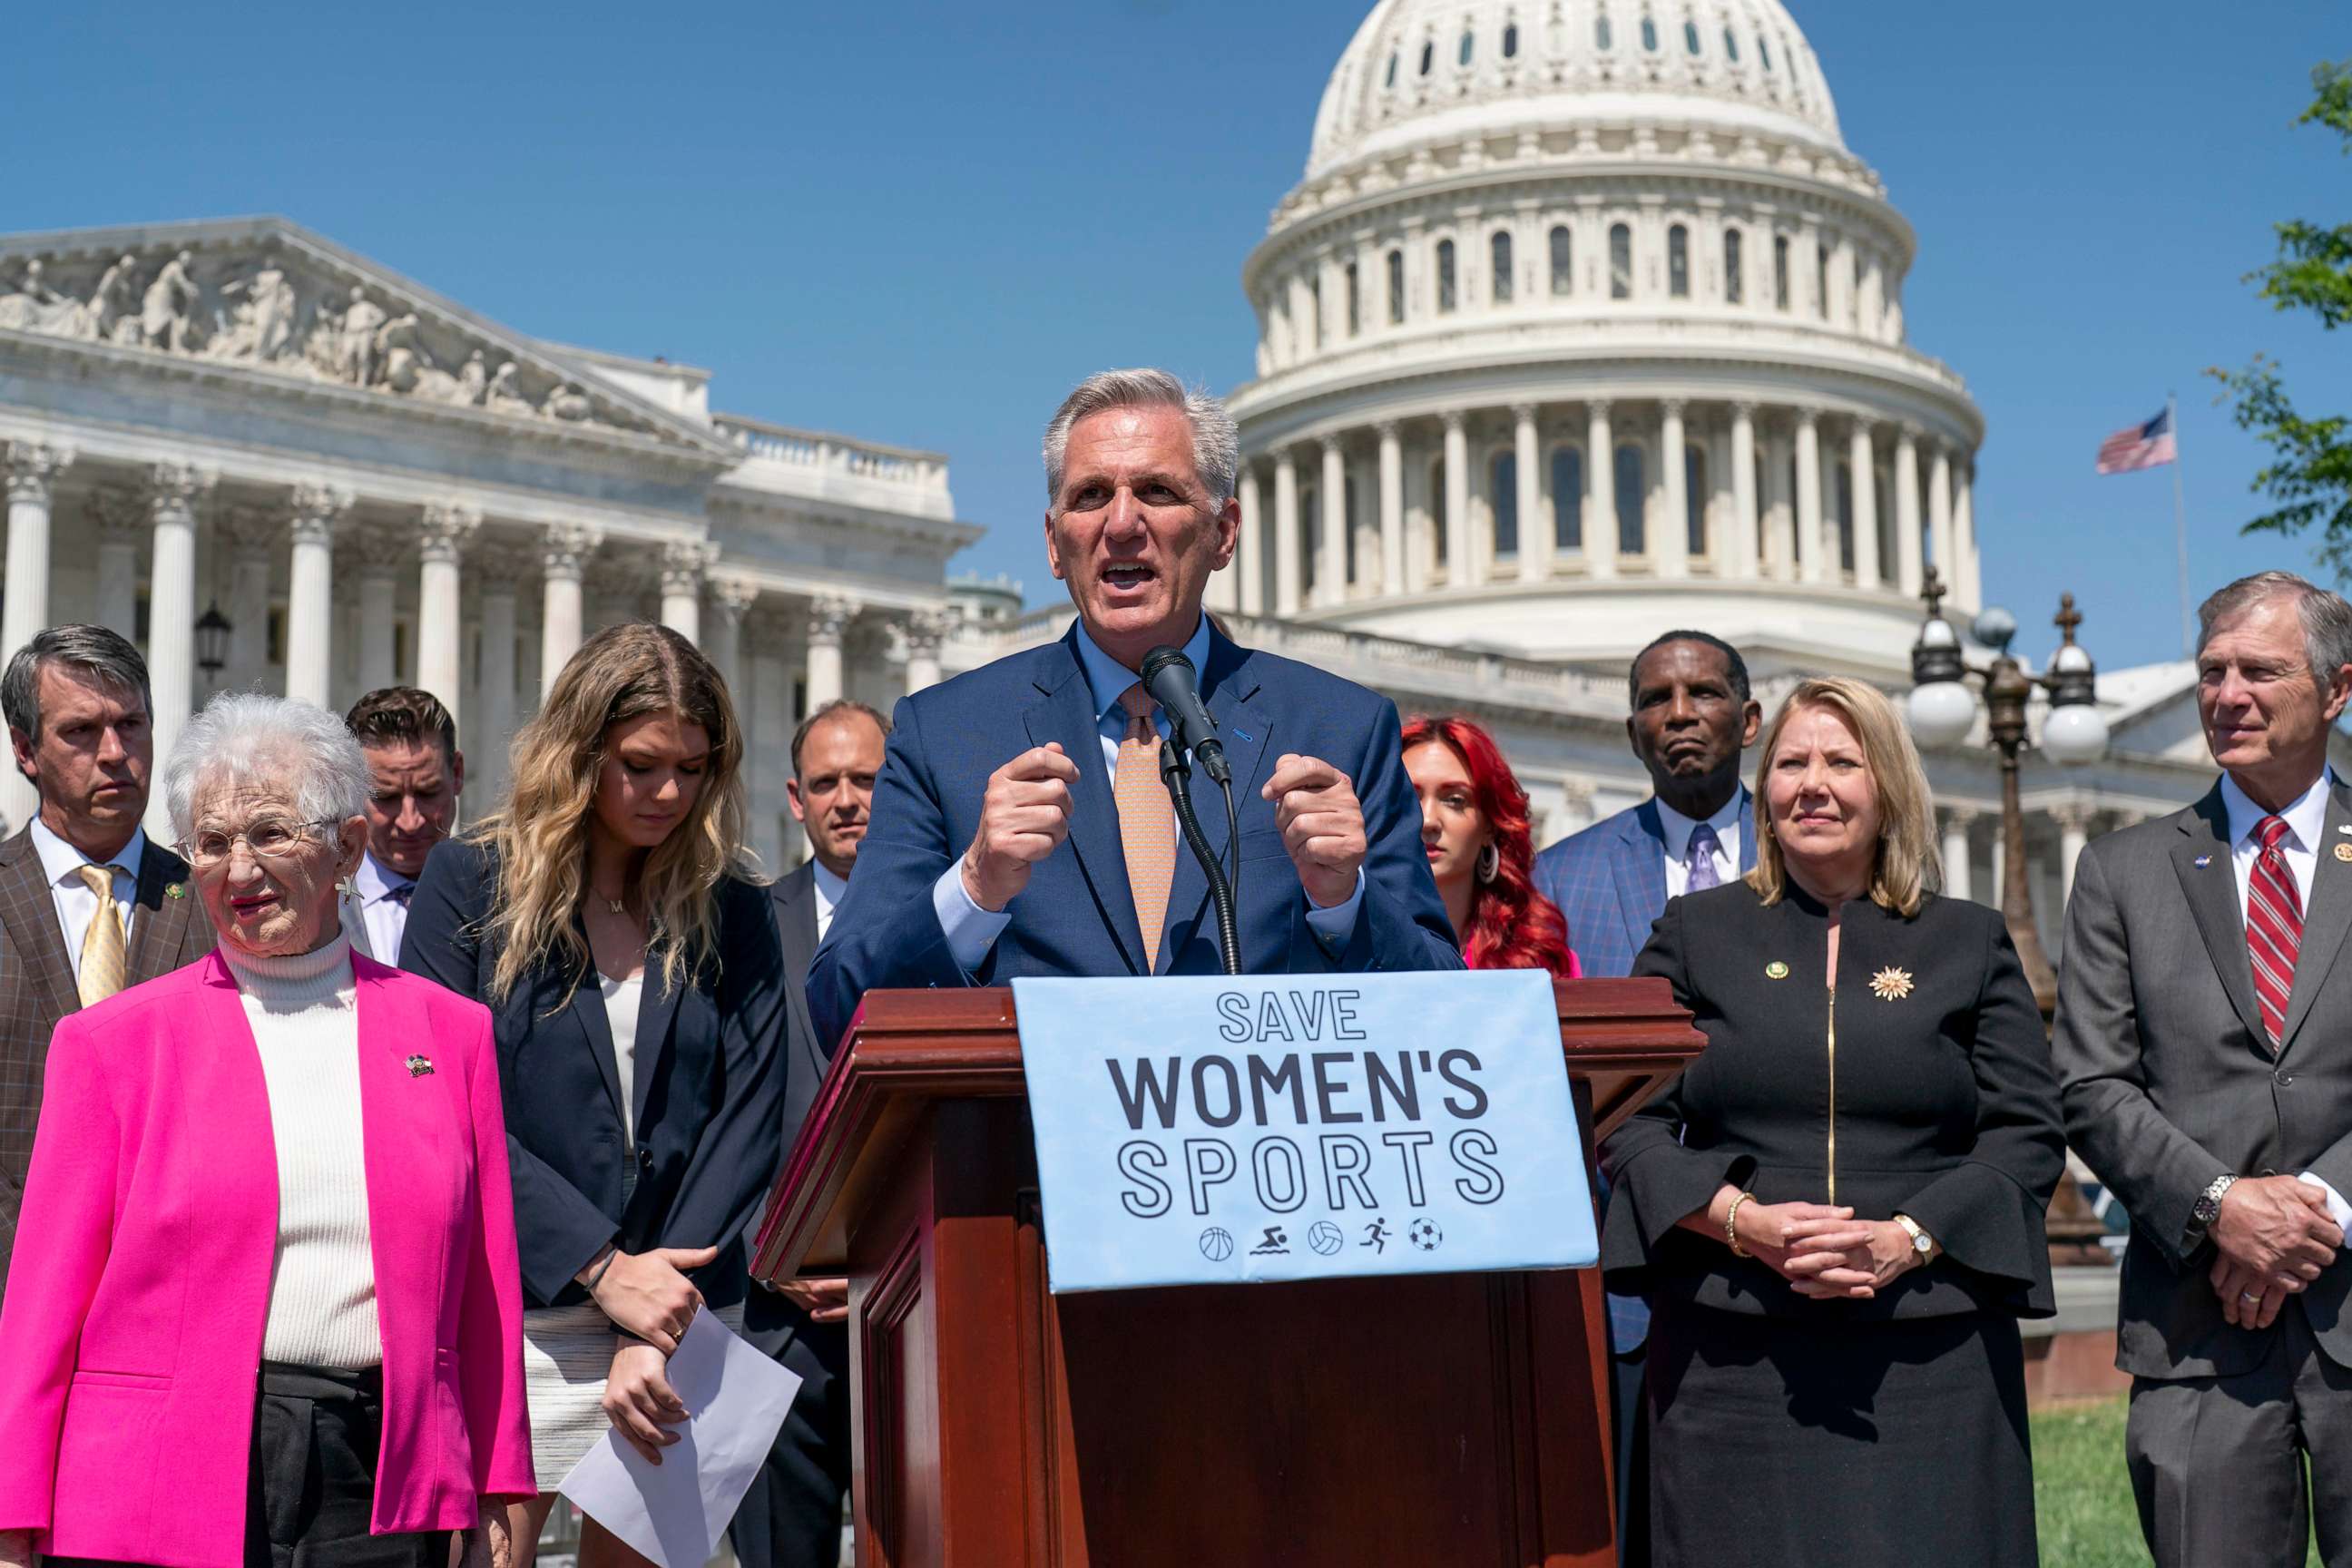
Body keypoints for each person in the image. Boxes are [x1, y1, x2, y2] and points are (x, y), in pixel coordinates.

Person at [0, 692, 529, 1568]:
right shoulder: (109, 1045)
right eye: (211, 843)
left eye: (272, 834)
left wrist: (502, 1478)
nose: (238, 869)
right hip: (156, 1477)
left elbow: (484, 1287)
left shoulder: (448, 1033)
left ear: (348, 849)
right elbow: (43, 1306)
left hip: (382, 1476)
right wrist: (13, 1512)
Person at [809, 368, 1458, 1042]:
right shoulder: (945, 734)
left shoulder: (1340, 728)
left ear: (1224, 532)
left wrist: (1343, 903)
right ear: (1054, 543)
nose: (1122, 523)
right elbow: (836, 1006)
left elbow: (1448, 1008)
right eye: (1090, 496)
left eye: (1157, 491)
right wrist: (973, 887)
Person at [1599, 676, 2064, 1568]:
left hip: (1933, 1350)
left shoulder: (1968, 941)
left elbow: (2027, 1131)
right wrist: (1743, 1223)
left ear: (1885, 785)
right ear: (1762, 787)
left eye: (1842, 762)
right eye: (1791, 763)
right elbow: (1629, 1121)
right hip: (1732, 1353)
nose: (1813, 783)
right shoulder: (1695, 932)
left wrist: (1911, 1236)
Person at [400, 622, 789, 1568]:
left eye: (694, 769)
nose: (669, 793)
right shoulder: (467, 884)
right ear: (579, 753)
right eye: (641, 765)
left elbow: (750, 1112)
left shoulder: (734, 906)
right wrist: (601, 1270)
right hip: (512, 1305)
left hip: (682, 1308)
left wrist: (657, 1311)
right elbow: (447, 1106)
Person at [2054, 570, 2352, 1567]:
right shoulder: (2121, 870)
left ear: (2338, 688)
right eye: (2212, 671)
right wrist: (2221, 1205)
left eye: (2260, 671)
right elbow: (2090, 1084)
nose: (2228, 694)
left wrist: (2310, 1212)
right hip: (2195, 1338)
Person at [1528, 627, 1760, 1566]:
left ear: (1749, 719)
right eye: (1656, 701)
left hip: (1794, 1257)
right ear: (1632, 733)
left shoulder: (1818, 855)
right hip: (1629, 1285)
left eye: (1702, 694)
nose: (1679, 716)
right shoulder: (1565, 877)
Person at [0, 625, 212, 1298]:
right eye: (81, 733)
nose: (116, 753)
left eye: (132, 724)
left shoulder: (213, 907)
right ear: (26, 751)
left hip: (172, 1299)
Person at [730, 699, 882, 1568]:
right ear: (795, 799)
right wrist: (774, 1251)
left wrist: (881, 1260)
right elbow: (710, 1117)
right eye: (826, 783)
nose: (847, 799)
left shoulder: (962, 924)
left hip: (917, 1311)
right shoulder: (739, 924)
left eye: (866, 779)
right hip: (775, 1322)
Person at [1400, 713, 1578, 976]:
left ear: (1490, 825)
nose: (1428, 821)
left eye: (1455, 800)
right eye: (1407, 799)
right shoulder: (1345, 940)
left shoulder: (1543, 962)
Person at [343, 686, 466, 962]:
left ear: (456, 774)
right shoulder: (316, 905)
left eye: (428, 793)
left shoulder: (502, 897)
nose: (410, 821)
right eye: (386, 797)